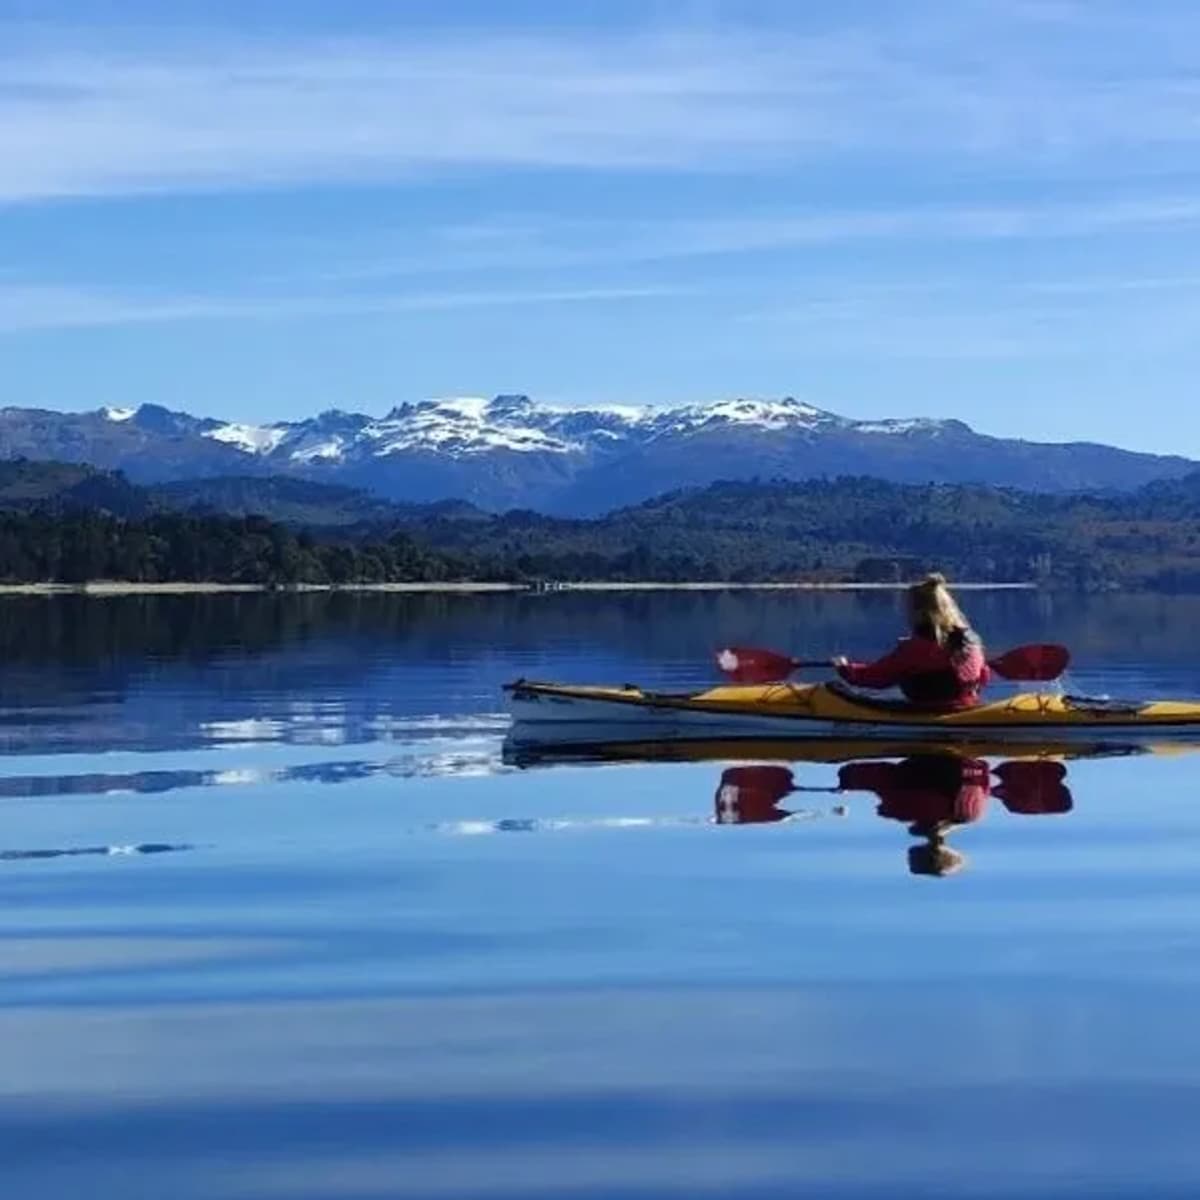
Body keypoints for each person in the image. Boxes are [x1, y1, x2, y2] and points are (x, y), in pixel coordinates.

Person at [831, 573, 990, 708]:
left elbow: (878, 676)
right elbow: (984, 675)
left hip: (932, 710)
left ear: (918, 612)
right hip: (968, 704)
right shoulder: (972, 640)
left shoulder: (916, 648)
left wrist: (845, 669)